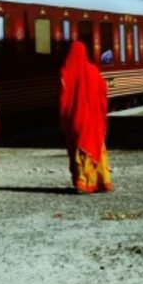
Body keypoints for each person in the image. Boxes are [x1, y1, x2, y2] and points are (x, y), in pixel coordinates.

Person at [59, 41, 113, 193]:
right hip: (94, 119)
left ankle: (83, 182)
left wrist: (65, 118)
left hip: (77, 119)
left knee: (81, 149)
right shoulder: (94, 71)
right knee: (97, 148)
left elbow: (63, 100)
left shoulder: (66, 72)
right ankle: (102, 181)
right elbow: (103, 93)